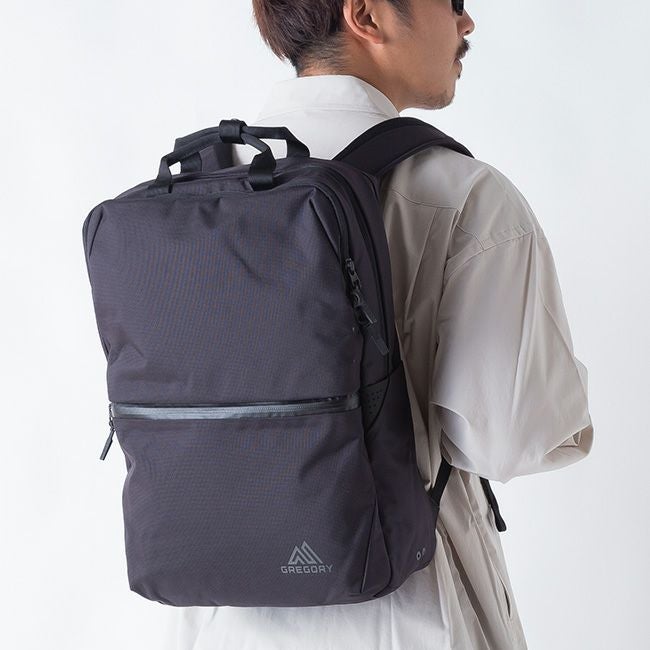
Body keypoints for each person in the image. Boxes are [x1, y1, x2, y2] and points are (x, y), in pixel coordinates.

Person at [166, 1, 594, 648]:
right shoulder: (464, 197)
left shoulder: (196, 189)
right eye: (451, 2)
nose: (467, 22)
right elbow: (513, 439)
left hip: (218, 619)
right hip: (403, 613)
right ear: (366, 14)